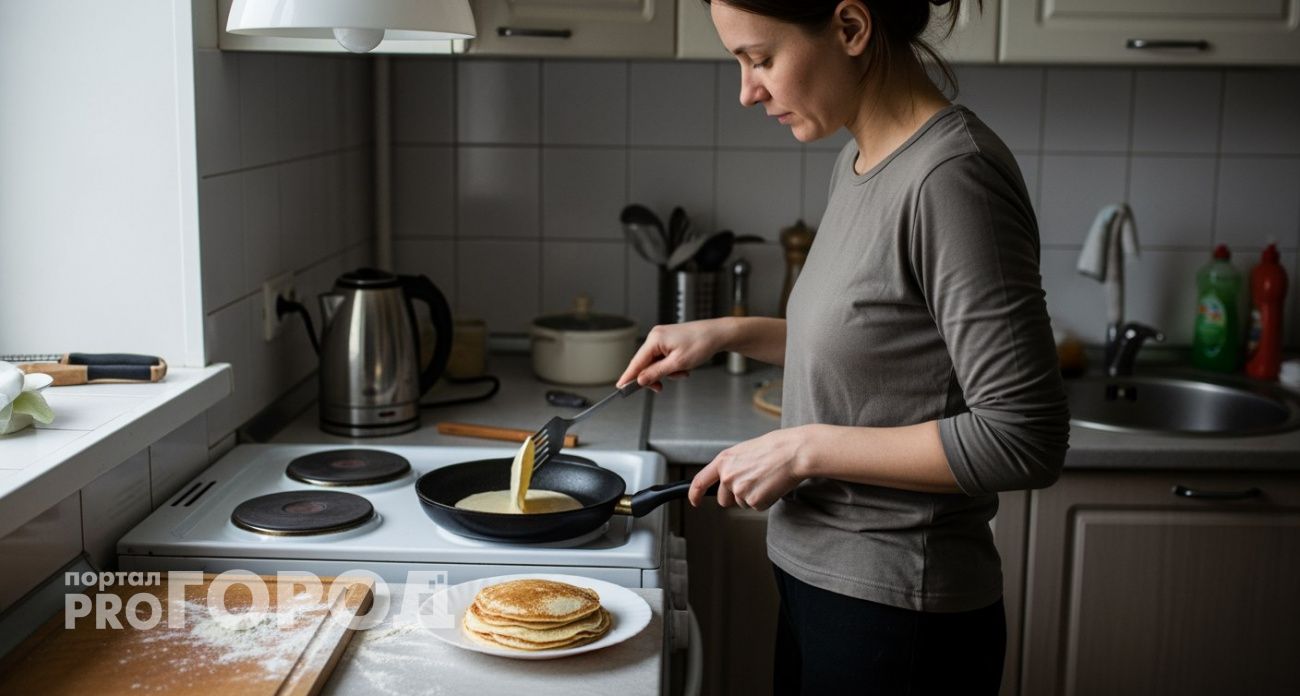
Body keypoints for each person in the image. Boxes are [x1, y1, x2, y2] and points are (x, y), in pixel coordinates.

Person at [616, 0, 1069, 693]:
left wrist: (804, 448)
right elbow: (880, 345)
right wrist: (726, 333)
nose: (747, 91)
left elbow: (1022, 435)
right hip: (823, 586)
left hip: (899, 615)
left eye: (761, 59)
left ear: (851, 29)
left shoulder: (953, 178)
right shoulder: (861, 160)